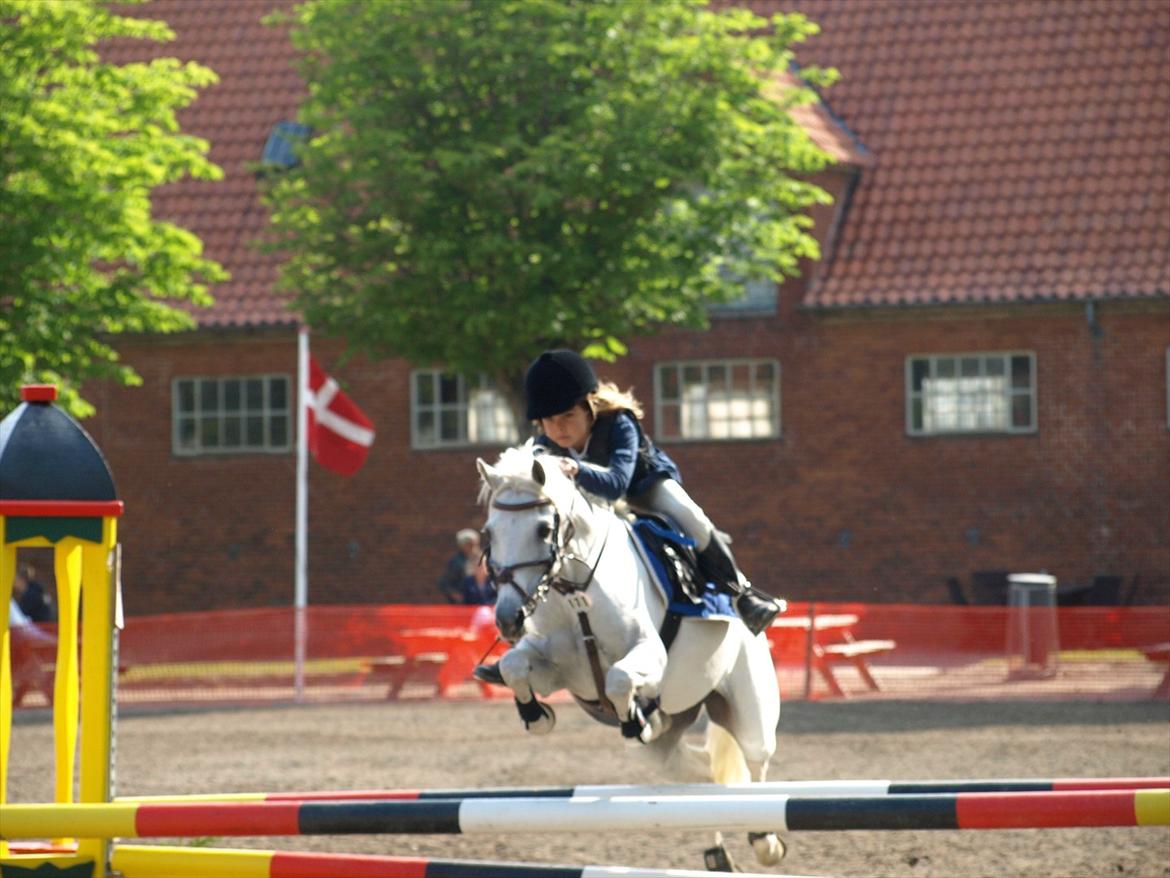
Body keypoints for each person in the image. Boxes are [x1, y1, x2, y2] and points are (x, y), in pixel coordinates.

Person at [437, 529, 494, 605]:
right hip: (463, 602)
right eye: (468, 544)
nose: (471, 547)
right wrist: (455, 594)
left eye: (473, 544)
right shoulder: (455, 562)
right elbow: (444, 583)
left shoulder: (482, 558)